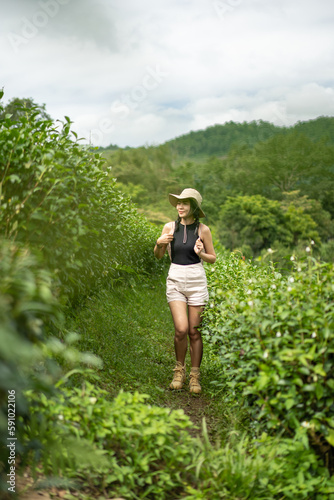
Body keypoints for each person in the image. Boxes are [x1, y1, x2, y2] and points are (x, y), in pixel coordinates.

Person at [154, 188, 216, 394]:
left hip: (197, 280)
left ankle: (195, 376)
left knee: (194, 331)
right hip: (176, 280)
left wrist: (201, 252)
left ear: (194, 207)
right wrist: (158, 244)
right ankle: (178, 371)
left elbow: (212, 258)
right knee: (181, 330)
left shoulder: (203, 230)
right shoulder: (169, 227)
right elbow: (159, 256)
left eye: (185, 203)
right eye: (178, 203)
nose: (180, 207)